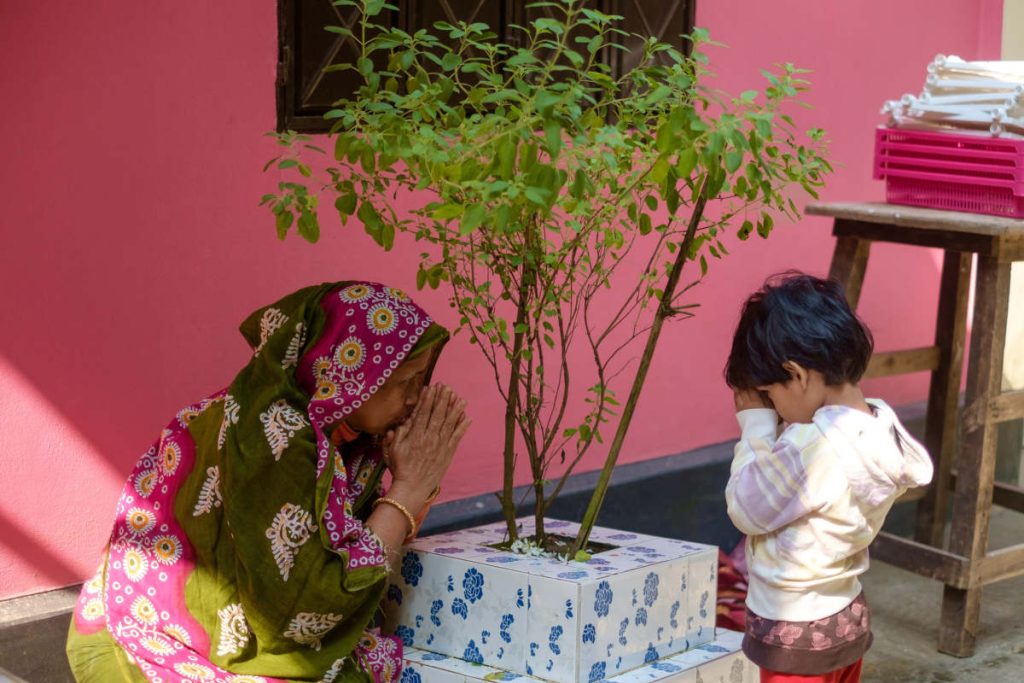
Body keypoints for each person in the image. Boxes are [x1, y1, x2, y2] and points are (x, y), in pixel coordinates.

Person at [66, 281, 470, 683]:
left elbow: (360, 544)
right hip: (154, 639)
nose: (417, 398)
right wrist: (410, 488)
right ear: (348, 371)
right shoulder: (271, 435)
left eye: (421, 378)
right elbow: (303, 609)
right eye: (404, 382)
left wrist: (414, 478)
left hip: (250, 628)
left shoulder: (343, 432)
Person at [723, 273, 933, 683]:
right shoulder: (878, 425)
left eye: (772, 393)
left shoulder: (811, 446)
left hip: (795, 635)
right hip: (846, 619)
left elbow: (745, 507)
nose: (775, 407)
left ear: (797, 375)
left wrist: (756, 428)